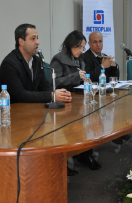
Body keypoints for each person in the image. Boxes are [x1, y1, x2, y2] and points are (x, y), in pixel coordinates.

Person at [50, 30, 101, 173]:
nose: (81, 50)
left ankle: (85, 154)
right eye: (78, 47)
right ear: (70, 45)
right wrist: (75, 76)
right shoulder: (58, 59)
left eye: (83, 47)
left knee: (87, 124)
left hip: (77, 100)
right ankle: (66, 161)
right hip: (63, 103)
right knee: (71, 129)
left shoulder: (80, 60)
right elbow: (54, 83)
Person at [0, 23, 72, 104]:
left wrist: (60, 94)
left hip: (32, 108)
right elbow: (20, 94)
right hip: (14, 111)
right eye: (33, 39)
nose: (38, 42)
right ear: (21, 41)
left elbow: (44, 86)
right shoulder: (9, 64)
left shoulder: (37, 60)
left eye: (37, 38)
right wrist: (51, 95)